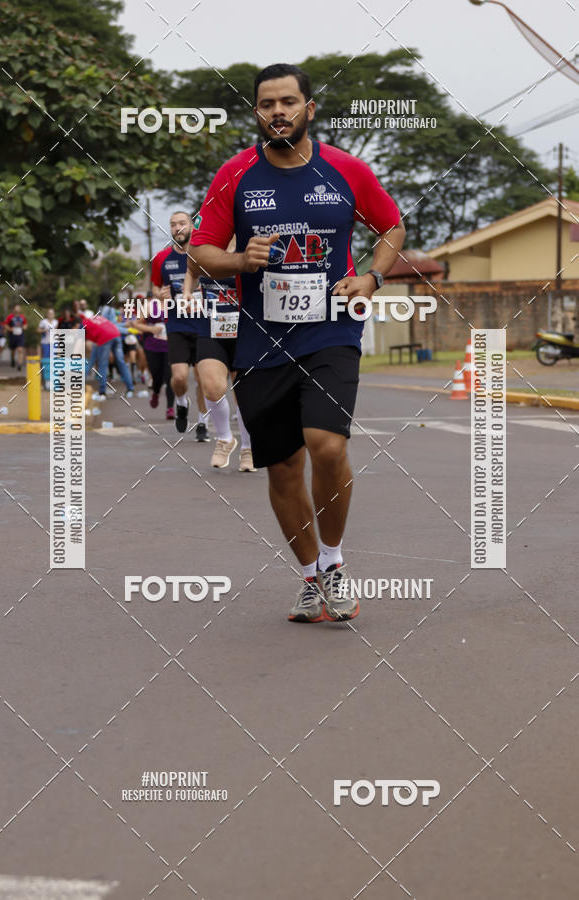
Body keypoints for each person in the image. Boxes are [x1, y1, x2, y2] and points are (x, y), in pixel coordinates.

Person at [189, 63, 405, 623]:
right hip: (261, 339)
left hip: (332, 328)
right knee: (283, 467)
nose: (278, 112)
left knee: (327, 444)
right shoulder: (235, 175)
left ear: (309, 109)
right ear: (256, 112)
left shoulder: (346, 170)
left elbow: (391, 226)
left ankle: (333, 562)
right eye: (267, 104)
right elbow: (201, 250)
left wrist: (372, 277)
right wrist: (239, 259)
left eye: (289, 102)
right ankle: (312, 577)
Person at [151, 211, 210, 441]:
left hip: (204, 324)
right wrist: (160, 294)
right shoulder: (162, 258)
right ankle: (181, 401)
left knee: (204, 379)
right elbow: (155, 287)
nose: (178, 228)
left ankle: (203, 424)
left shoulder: (204, 255)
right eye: (173, 224)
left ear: (192, 226)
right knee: (179, 378)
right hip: (176, 324)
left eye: (182, 223)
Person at [197, 270, 256, 471]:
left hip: (248, 329)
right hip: (211, 327)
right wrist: (188, 292)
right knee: (212, 387)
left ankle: (248, 447)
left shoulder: (251, 240)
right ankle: (224, 439)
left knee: (245, 394)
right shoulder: (202, 242)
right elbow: (189, 270)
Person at [87, 291, 134, 400]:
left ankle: (102, 391)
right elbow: (112, 326)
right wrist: (127, 329)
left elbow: (105, 324)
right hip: (115, 336)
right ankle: (130, 388)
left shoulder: (99, 309)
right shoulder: (111, 310)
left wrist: (124, 326)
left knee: (102, 364)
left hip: (103, 338)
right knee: (121, 362)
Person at [134, 298, 174, 419]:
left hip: (171, 346)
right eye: (160, 286)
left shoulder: (176, 303)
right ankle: (156, 392)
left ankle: (170, 408)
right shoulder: (149, 305)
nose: (163, 289)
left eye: (166, 286)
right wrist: (152, 329)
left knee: (169, 377)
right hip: (153, 346)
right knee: (157, 377)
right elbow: (137, 324)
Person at [4, 304, 27, 370]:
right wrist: (10, 329)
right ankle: (13, 360)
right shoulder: (10, 317)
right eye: (16, 308)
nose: (17, 310)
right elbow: (5, 325)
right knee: (12, 351)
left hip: (20, 336)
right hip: (12, 336)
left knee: (20, 350)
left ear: (20, 310)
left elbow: (25, 325)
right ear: (14, 310)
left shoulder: (22, 317)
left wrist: (24, 327)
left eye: (18, 308)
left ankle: (19, 364)